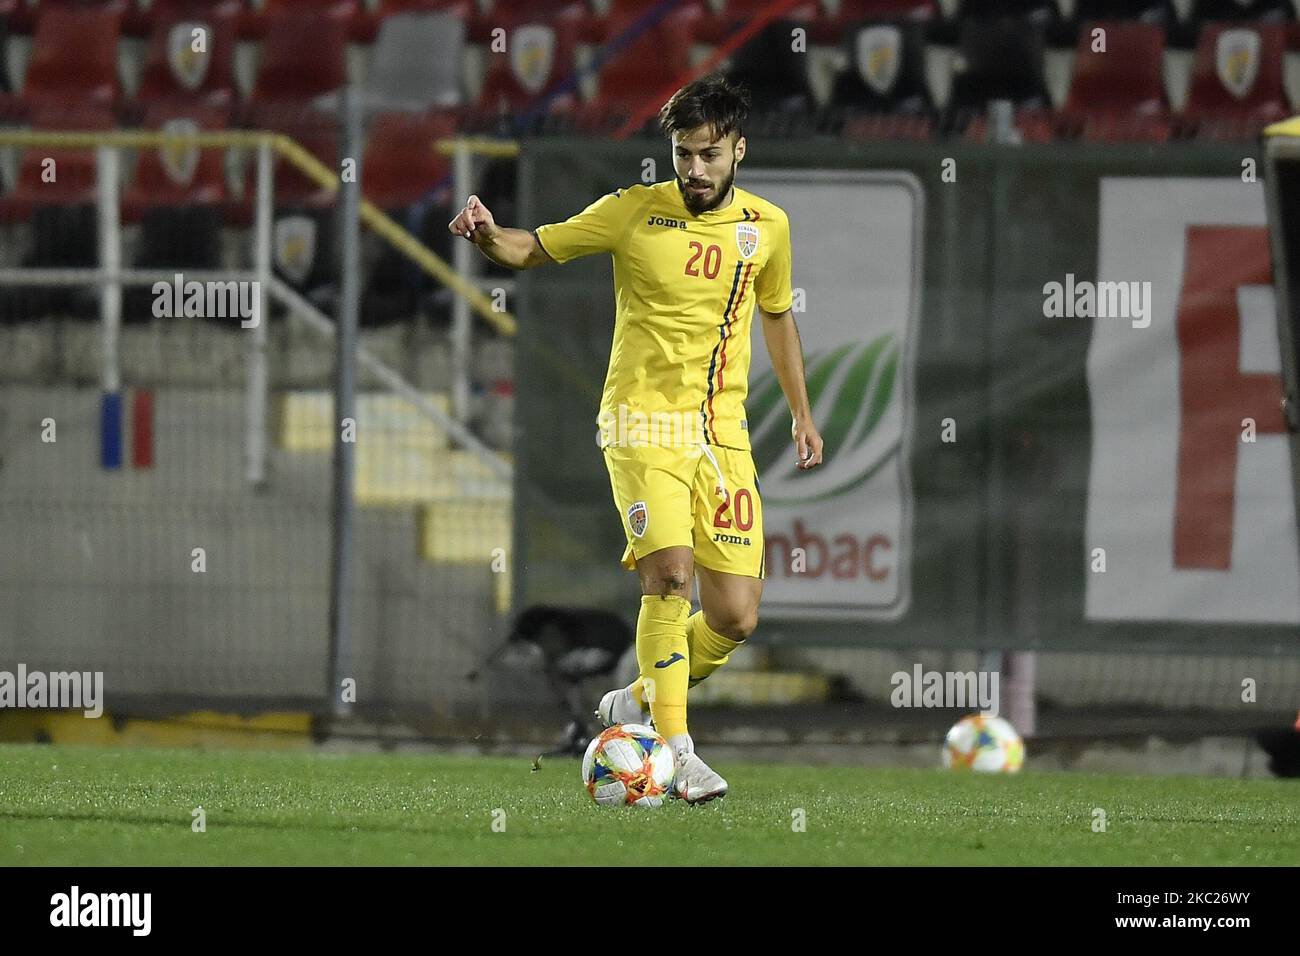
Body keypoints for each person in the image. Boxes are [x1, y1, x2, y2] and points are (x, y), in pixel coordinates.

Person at [449, 74, 824, 803]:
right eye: (684, 154)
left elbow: (777, 315)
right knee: (670, 576)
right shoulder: (632, 212)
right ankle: (676, 752)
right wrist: (491, 234)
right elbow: (535, 250)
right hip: (640, 421)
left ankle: (643, 699)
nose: (694, 169)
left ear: (738, 151)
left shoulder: (767, 228)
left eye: (710, 155)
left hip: (721, 431)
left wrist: (803, 414)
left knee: (735, 615)